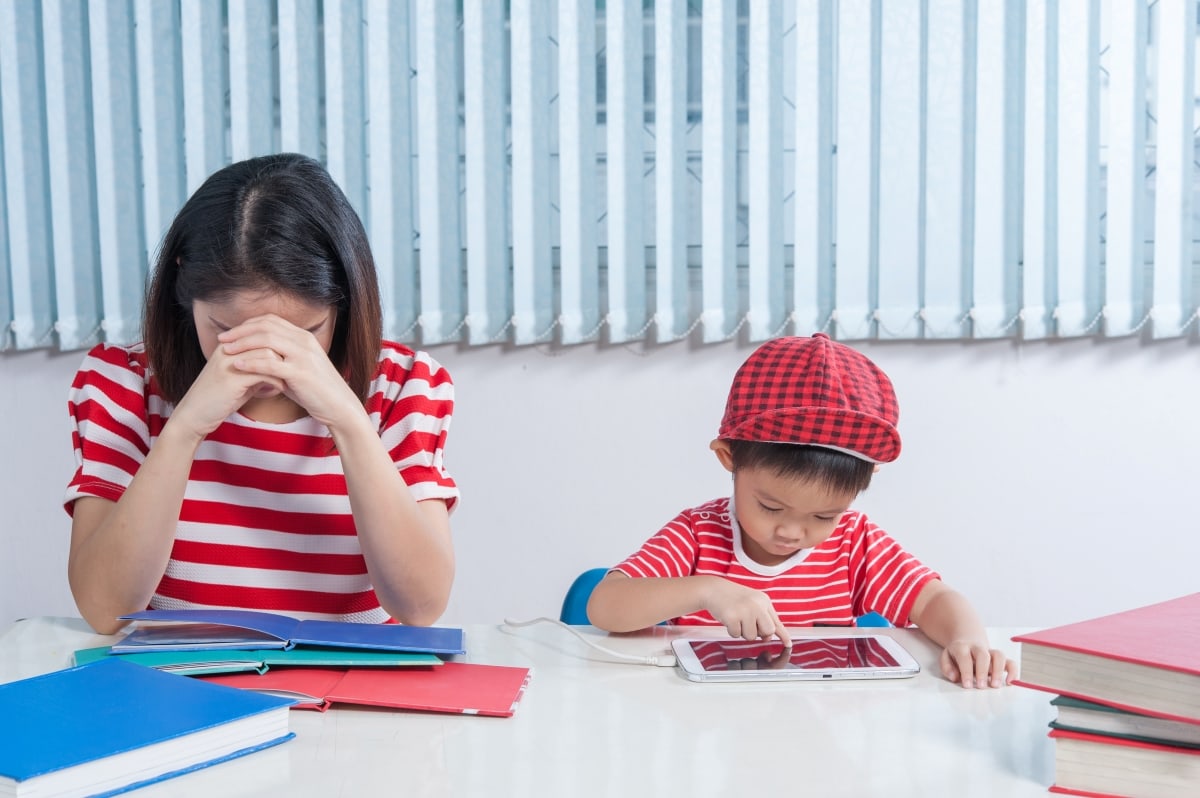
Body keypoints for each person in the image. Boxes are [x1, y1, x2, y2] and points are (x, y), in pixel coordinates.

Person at [65, 153, 458, 635]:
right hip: (183, 690)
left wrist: (349, 421)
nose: (266, 359)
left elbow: (422, 606)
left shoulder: (403, 385)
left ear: (344, 299)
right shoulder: (123, 382)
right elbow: (105, 610)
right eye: (227, 330)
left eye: (305, 332)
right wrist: (185, 427)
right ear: (185, 288)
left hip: (351, 696)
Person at [587, 334, 1015, 689]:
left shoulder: (854, 541)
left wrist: (967, 639)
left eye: (824, 516)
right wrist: (707, 590)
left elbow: (934, 600)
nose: (792, 531)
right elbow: (604, 607)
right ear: (728, 458)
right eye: (771, 506)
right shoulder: (698, 534)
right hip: (716, 720)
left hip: (820, 727)